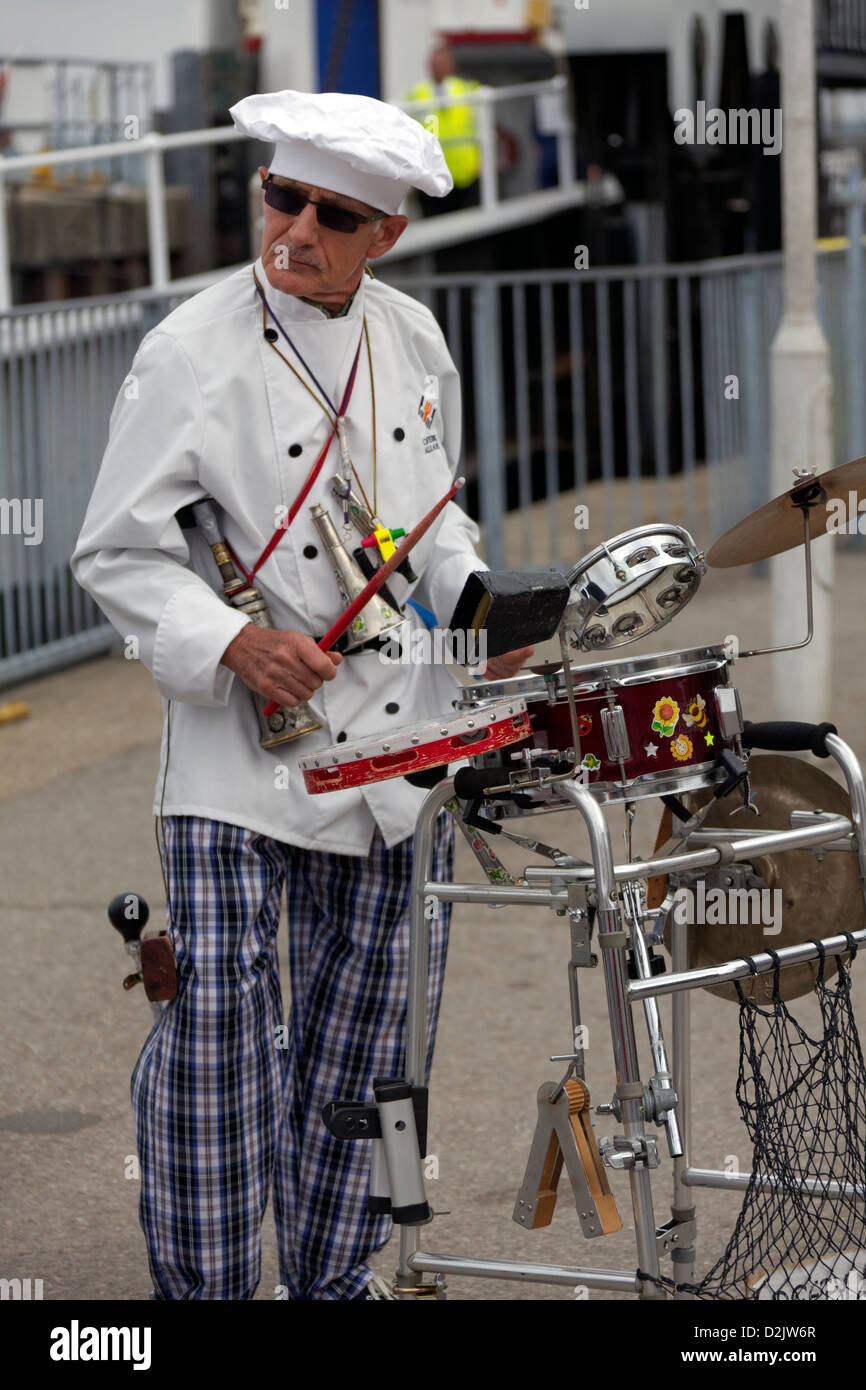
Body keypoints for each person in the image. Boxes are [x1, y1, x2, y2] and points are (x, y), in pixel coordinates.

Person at [71, 88, 532, 1301]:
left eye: (333, 213)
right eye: (279, 196)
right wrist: (230, 640)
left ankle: (332, 1283)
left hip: (394, 762)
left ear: (383, 234)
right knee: (218, 1051)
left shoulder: (414, 341)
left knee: (370, 1062)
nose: (295, 230)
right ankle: (210, 1294)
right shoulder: (189, 349)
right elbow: (113, 550)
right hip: (239, 767)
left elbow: (432, 533)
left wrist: (489, 612)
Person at [404, 42, 482, 216]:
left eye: (441, 63)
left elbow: (480, 127)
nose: (437, 68)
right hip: (432, 177)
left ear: (451, 66)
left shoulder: (466, 90)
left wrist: (482, 160)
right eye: (434, 64)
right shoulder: (416, 93)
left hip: (465, 174)